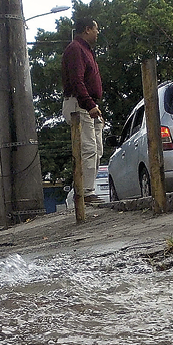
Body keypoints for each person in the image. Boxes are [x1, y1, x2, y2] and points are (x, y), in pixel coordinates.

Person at [61, 16, 104, 205]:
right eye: (96, 29)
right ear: (87, 29)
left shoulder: (86, 51)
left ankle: (87, 188)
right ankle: (86, 192)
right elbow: (77, 80)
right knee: (88, 147)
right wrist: (89, 104)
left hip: (89, 103)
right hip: (80, 103)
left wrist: (92, 105)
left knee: (97, 148)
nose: (98, 32)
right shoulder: (75, 49)